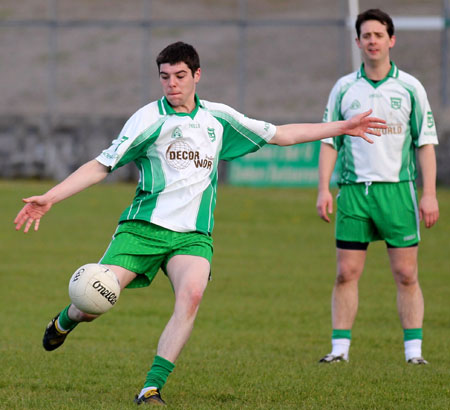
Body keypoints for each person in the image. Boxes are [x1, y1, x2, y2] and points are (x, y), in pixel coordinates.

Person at [15, 41, 385, 406]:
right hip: (142, 230)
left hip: (193, 237)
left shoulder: (218, 119)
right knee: (91, 304)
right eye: (164, 77)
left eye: (179, 76)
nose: (172, 84)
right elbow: (101, 165)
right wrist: (51, 196)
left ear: (197, 75)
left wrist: (342, 126)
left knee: (191, 296)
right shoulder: (149, 119)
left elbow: (281, 134)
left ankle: (151, 388)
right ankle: (65, 321)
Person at [316, 9, 439, 365]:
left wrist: (428, 193)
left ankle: (413, 353)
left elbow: (425, 143)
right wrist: (324, 188)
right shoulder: (344, 88)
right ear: (358, 42)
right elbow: (328, 142)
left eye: (378, 35)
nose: (372, 41)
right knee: (346, 272)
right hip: (354, 192)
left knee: (406, 273)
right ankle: (339, 350)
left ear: (391, 40)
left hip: (397, 192)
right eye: (366, 36)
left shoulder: (410, 87)